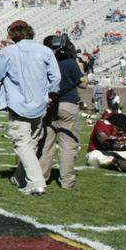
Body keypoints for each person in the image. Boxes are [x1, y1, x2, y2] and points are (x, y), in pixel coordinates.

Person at [0, 20, 60, 195]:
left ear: (13, 34)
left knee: (22, 143)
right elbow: (56, 78)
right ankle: (20, 177)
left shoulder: (9, 51)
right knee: (32, 143)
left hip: (18, 104)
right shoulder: (45, 51)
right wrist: (49, 95)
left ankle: (36, 182)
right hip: (40, 104)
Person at [38, 34, 86, 189]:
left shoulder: (44, 63)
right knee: (68, 145)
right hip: (68, 104)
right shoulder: (70, 62)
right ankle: (67, 181)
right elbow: (83, 84)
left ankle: (41, 178)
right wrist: (81, 67)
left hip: (49, 104)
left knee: (46, 144)